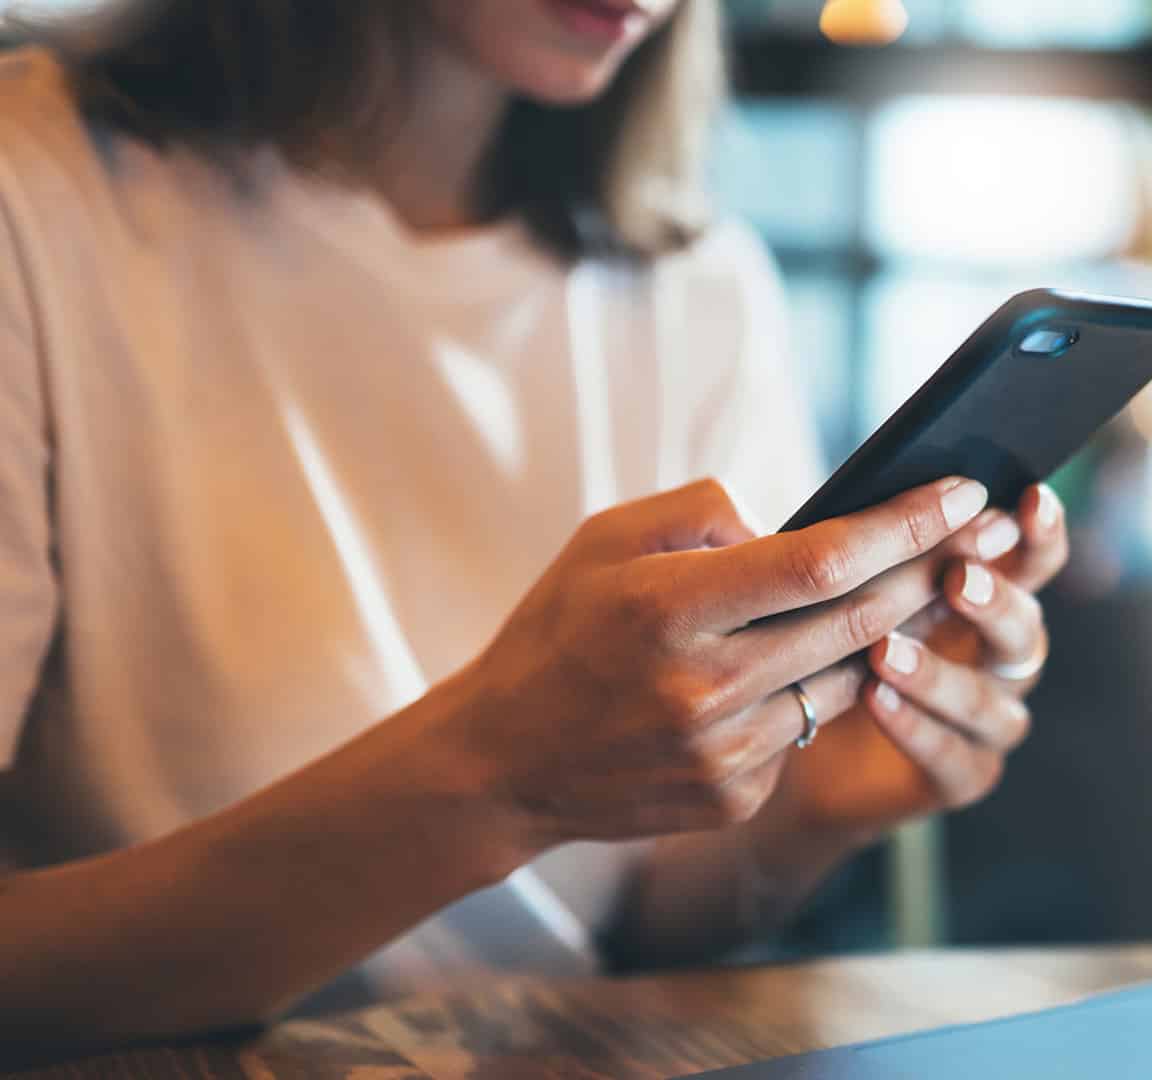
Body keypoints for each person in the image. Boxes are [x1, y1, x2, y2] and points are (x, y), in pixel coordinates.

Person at [0, 0, 1066, 1054]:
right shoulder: (37, 199)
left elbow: (632, 924)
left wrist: (815, 810)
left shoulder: (696, 283)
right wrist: (497, 778)